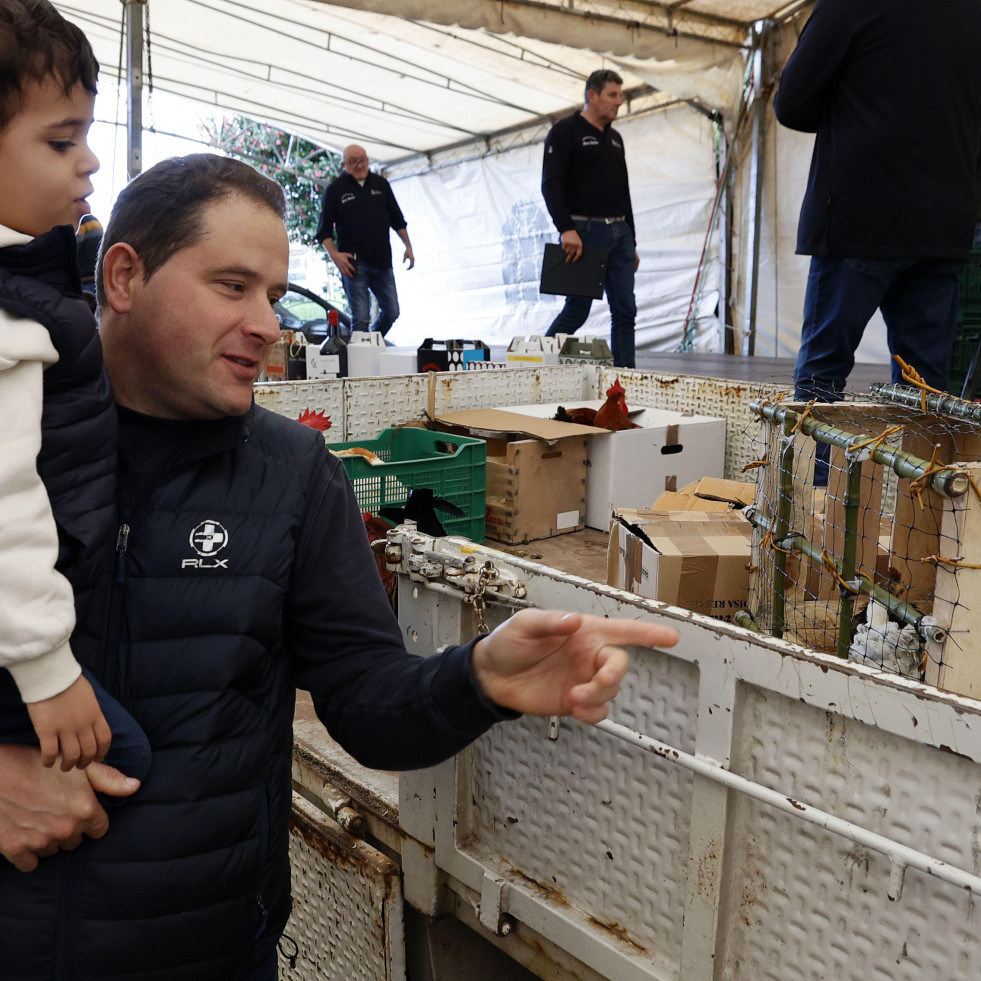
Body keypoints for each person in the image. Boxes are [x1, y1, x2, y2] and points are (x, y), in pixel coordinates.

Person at [0, 153, 681, 980]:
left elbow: (364, 704)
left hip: (200, 955)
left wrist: (476, 679)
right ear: (123, 276)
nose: (267, 324)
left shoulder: (292, 474)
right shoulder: (12, 444)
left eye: (275, 297)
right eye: (232, 285)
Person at [0, 0, 149, 780]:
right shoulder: (9, 314)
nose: (88, 162)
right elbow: (5, 506)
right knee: (125, 759)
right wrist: (44, 670)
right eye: (61, 140)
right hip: (16, 637)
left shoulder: (32, 280)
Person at [774, 0, 981, 403]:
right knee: (925, 389)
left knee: (822, 380)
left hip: (860, 214)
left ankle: (822, 470)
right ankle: (922, 468)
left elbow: (792, 103)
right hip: (945, 223)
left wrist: (854, 108)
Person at [542, 68, 640, 369]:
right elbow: (551, 183)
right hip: (583, 233)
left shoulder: (616, 139)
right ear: (592, 95)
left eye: (620, 95)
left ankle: (625, 380)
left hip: (619, 232)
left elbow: (623, 191)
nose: (619, 102)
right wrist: (566, 228)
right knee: (577, 310)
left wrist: (631, 239)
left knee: (625, 310)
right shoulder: (565, 131)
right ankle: (536, 366)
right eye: (613, 94)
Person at [315, 143, 413, 338]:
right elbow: (323, 231)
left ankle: (369, 343)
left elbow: (397, 220)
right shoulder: (335, 189)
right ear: (344, 164)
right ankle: (360, 358)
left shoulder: (381, 184)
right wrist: (335, 256)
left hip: (383, 261)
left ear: (368, 161)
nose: (359, 165)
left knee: (392, 311)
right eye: (353, 162)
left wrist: (408, 246)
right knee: (360, 319)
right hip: (354, 264)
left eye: (362, 160)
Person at [75, 212, 102, 297]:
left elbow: (69, 251)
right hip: (97, 277)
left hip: (85, 280)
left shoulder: (80, 222)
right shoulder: (92, 220)